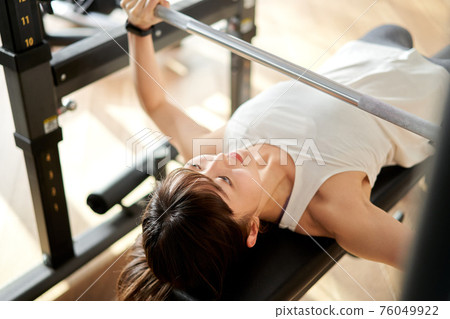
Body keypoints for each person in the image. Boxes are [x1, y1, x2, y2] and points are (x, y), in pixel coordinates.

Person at [116, 0, 450, 300]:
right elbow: (429, 263)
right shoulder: (330, 205)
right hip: (432, 90)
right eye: (225, 182)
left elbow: (157, 105)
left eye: (195, 168)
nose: (219, 160)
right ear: (251, 230)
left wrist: (138, 27)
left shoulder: (220, 148)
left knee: (393, 30)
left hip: (366, 53)